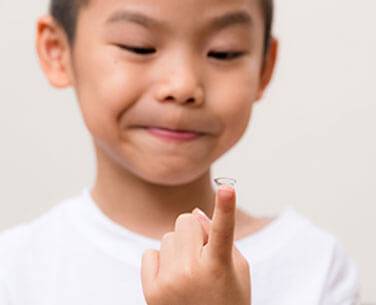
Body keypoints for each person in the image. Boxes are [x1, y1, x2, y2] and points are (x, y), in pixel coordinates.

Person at [0, 0, 361, 304]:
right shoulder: (14, 271)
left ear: (265, 68)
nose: (183, 85)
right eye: (138, 47)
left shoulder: (316, 267)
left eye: (224, 52)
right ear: (57, 52)